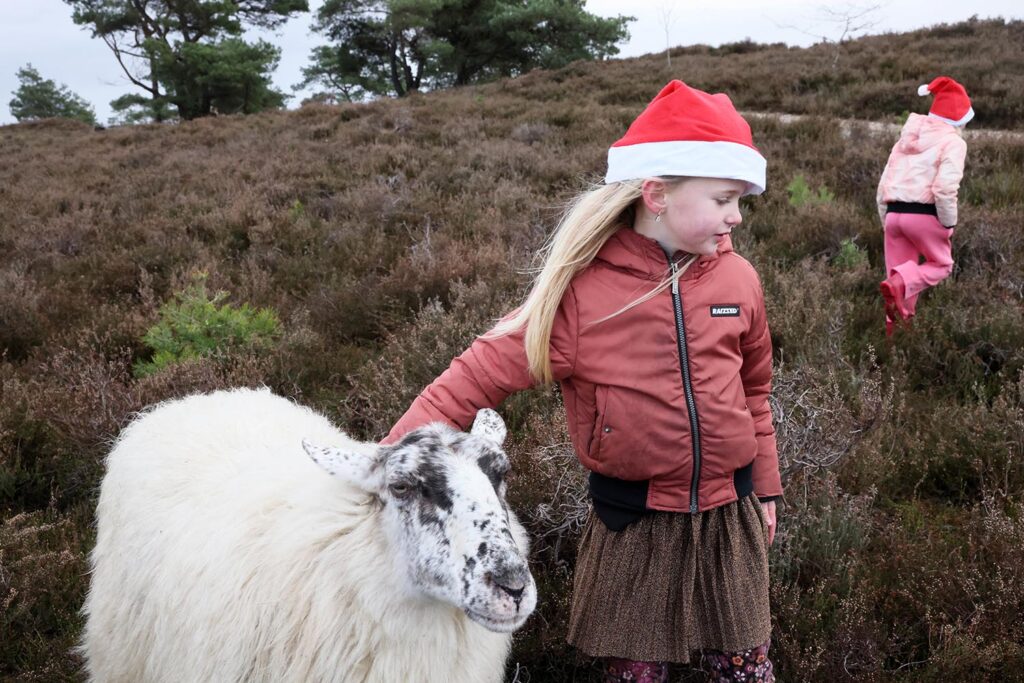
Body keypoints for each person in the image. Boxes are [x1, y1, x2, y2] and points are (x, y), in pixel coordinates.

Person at [384, 80, 783, 682]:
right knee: (636, 673)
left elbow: (755, 392)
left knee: (743, 669)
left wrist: (768, 489)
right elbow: (472, 378)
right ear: (658, 195)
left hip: (731, 515)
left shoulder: (739, 281)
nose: (737, 215)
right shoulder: (578, 297)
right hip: (633, 526)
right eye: (725, 197)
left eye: (741, 199)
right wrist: (387, 459)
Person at [877, 76, 972, 336]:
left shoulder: (904, 140)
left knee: (900, 287)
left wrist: (887, 219)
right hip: (924, 215)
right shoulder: (954, 142)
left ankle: (894, 345)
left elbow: (884, 183)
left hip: (894, 214)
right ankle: (898, 285)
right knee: (941, 265)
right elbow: (944, 188)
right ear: (959, 119)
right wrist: (948, 222)